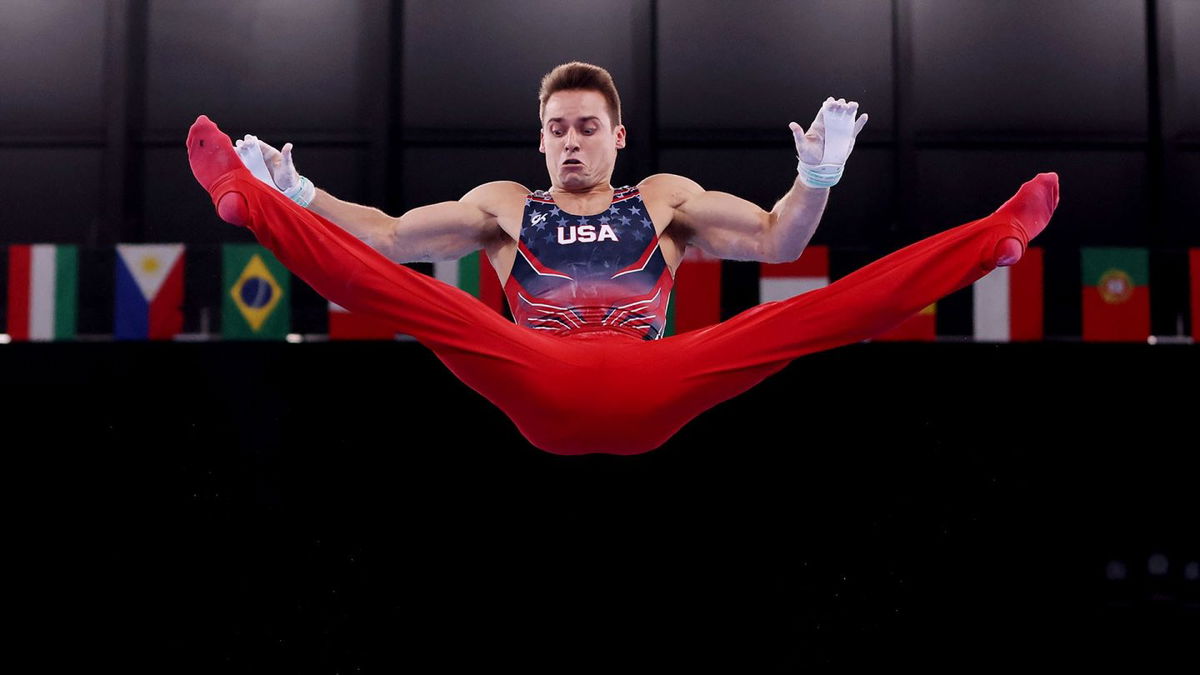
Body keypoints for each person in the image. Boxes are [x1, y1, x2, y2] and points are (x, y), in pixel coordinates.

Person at [186, 61, 1058, 455]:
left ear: (618, 137)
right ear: (539, 138)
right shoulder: (503, 206)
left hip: (653, 380)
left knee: (804, 318)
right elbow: (380, 240)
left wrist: (817, 176)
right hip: (535, 370)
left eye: (587, 128)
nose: (571, 143)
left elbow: (779, 241)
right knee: (410, 302)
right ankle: (252, 200)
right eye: (557, 128)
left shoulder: (665, 200)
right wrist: (303, 193)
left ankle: (995, 239)